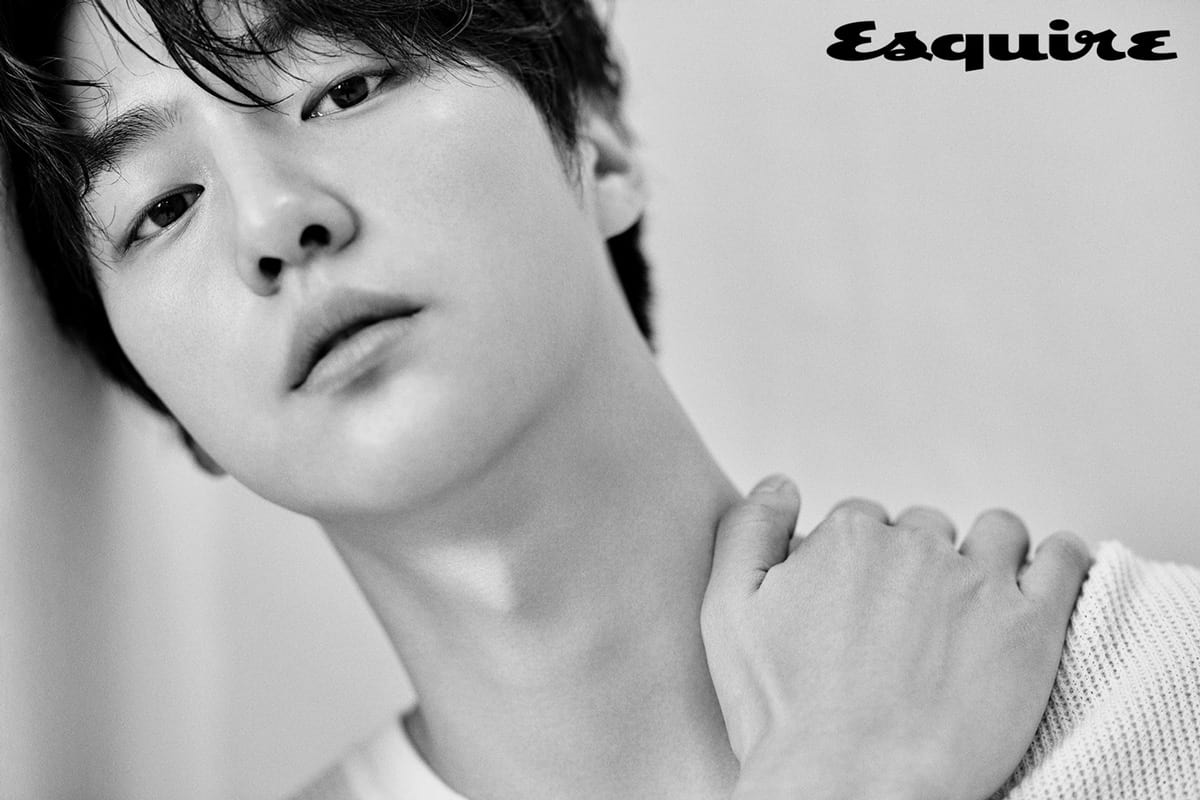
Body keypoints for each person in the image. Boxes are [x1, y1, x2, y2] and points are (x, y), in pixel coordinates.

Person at [1, 1, 1196, 798]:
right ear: (169, 405)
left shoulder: (1156, 689)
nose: (274, 219)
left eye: (348, 89)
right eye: (162, 208)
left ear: (600, 149)